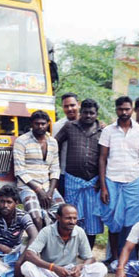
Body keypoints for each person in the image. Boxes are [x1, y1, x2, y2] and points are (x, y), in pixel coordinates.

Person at [98, 96, 139, 266]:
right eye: (121, 109)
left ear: (132, 110)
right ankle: (113, 257)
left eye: (127, 109)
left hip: (133, 181)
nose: (124, 112)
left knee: (133, 222)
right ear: (116, 110)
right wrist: (104, 187)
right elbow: (102, 158)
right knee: (113, 221)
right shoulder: (108, 131)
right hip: (111, 180)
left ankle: (128, 258)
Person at [15, 204, 107, 277]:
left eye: (74, 218)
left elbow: (90, 258)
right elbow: (29, 254)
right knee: (27, 267)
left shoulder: (79, 232)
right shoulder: (47, 231)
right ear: (58, 217)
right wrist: (53, 267)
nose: (72, 222)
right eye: (68, 218)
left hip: (70, 274)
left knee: (100, 268)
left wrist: (80, 267)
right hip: (49, 272)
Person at [55, 98, 103, 249]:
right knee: (70, 218)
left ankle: (87, 252)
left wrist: (101, 181)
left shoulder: (103, 130)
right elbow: (54, 144)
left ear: (96, 114)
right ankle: (69, 250)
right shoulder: (70, 127)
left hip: (93, 183)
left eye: (91, 113)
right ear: (80, 112)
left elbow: (106, 157)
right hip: (72, 180)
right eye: (85, 112)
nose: (88, 116)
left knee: (92, 219)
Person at [14, 110, 64, 231]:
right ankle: (38, 247)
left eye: (43, 123)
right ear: (31, 124)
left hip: (48, 187)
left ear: (48, 124)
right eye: (37, 123)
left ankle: (54, 245)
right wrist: (38, 191)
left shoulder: (53, 142)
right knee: (36, 218)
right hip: (27, 187)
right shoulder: (21, 141)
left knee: (64, 215)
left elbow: (55, 168)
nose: (40, 126)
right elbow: (20, 171)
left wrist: (50, 191)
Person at [53, 93, 80, 194]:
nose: (69, 109)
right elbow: (54, 150)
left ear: (79, 104)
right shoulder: (58, 126)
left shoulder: (88, 123)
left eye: (72, 105)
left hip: (83, 175)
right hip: (64, 173)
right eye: (66, 106)